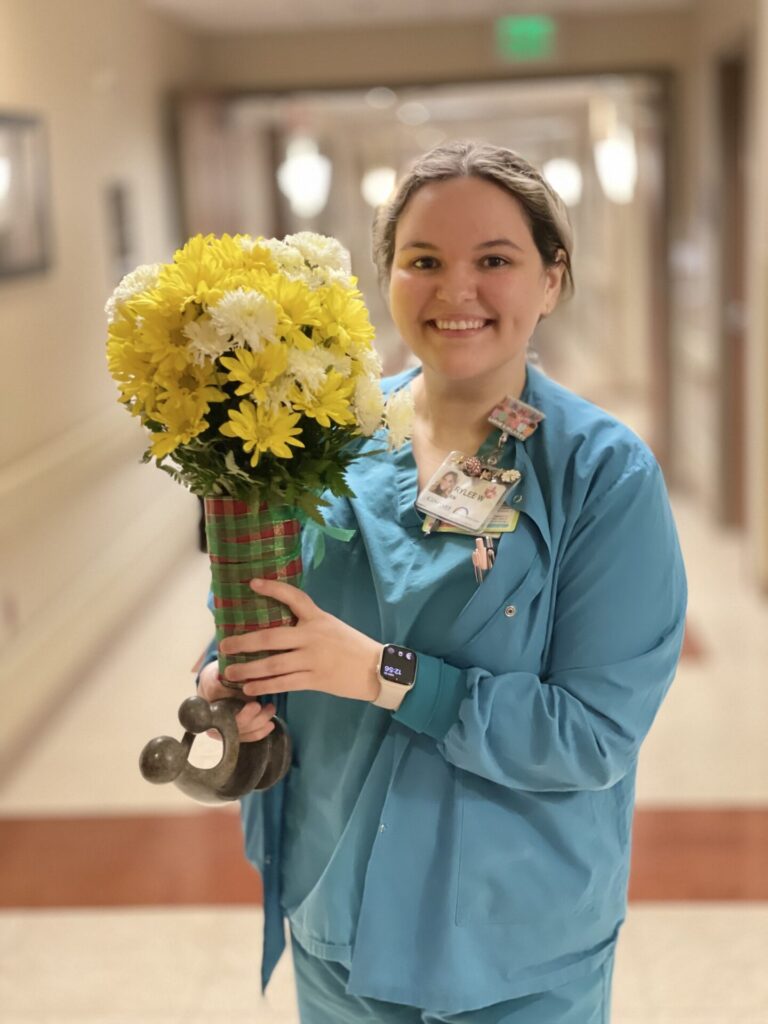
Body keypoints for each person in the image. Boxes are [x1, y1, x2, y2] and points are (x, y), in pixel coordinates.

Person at [198, 140, 687, 1023]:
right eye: (423, 261)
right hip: (333, 907)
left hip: (508, 946)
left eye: (494, 260)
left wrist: (382, 674)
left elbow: (592, 735)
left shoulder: (601, 475)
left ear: (551, 280)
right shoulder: (322, 445)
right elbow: (270, 619)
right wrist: (230, 675)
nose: (455, 290)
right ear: (387, 277)